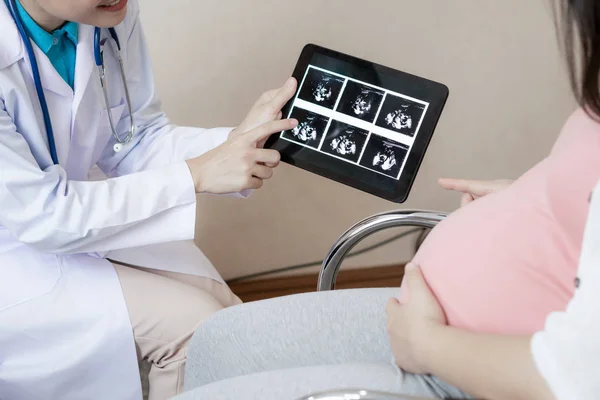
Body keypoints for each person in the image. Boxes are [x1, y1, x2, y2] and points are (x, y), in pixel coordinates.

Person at [175, 1, 600, 399]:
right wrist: (533, 199)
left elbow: (580, 374)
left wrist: (426, 345)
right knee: (219, 341)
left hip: (475, 365)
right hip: (438, 325)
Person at [0, 0, 298, 399]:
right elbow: (43, 216)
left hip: (73, 215)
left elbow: (132, 140)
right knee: (196, 331)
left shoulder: (106, 15)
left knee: (229, 319)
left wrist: (236, 143)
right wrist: (196, 174)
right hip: (20, 248)